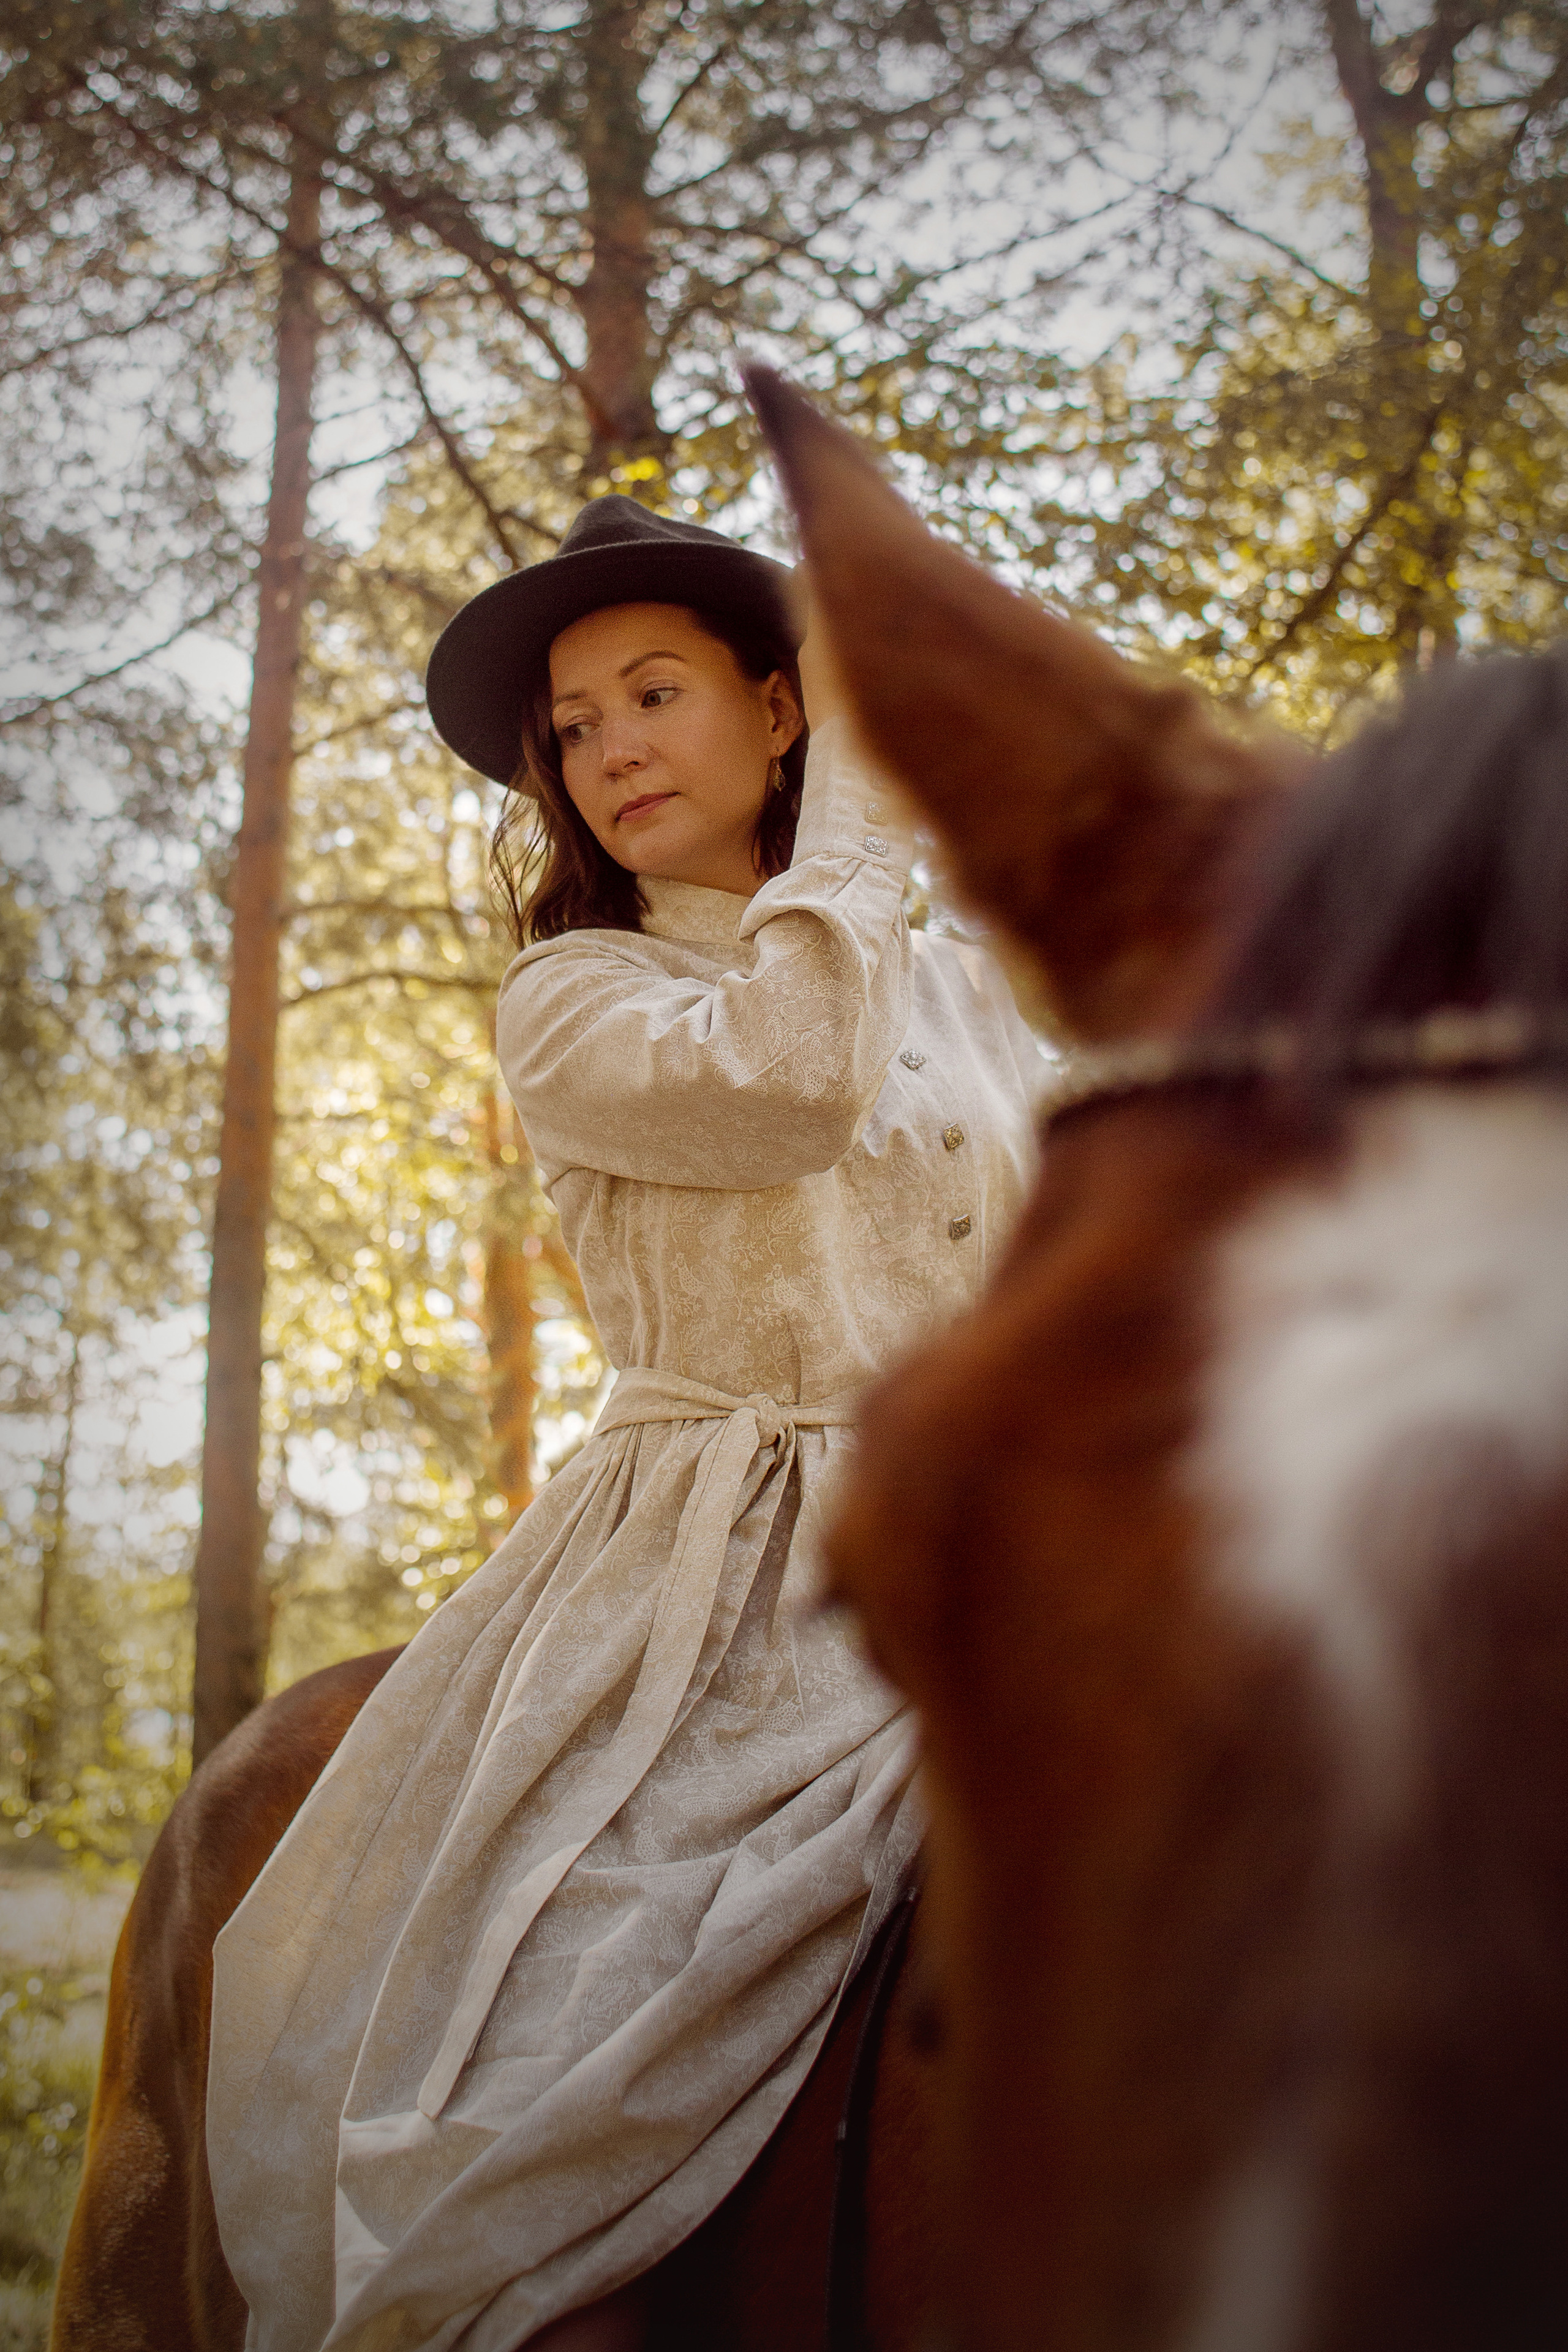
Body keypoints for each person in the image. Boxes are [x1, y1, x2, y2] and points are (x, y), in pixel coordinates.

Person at [205, 494, 1044, 2351]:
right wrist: (868, 803)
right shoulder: (578, 995)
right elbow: (795, 1078)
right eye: (574, 728)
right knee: (561, 2077)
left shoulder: (976, 994)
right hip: (722, 1595)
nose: (608, 753)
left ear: (779, 707)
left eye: (655, 694)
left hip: (1008, 1551)